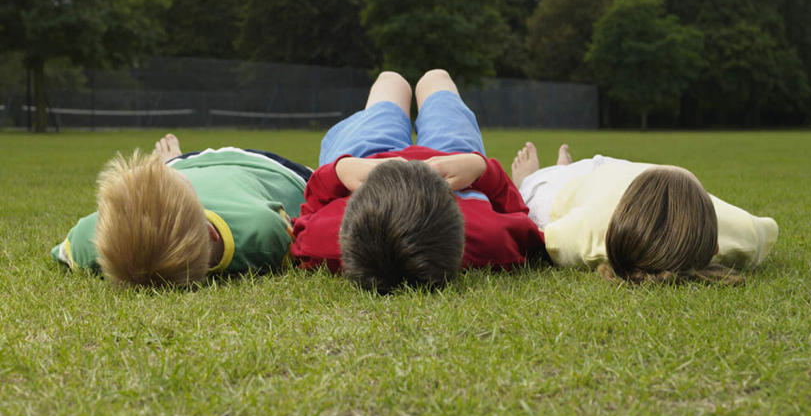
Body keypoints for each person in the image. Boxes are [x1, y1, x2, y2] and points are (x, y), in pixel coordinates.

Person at [290, 69, 545, 293]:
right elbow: (525, 224)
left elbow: (303, 221)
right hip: (454, 160)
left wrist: (341, 170)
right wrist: (479, 167)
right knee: (436, 78)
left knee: (391, 81)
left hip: (364, 159)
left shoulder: (325, 243)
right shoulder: (489, 239)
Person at [51, 134, 310, 287]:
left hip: (186, 164)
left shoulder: (91, 241)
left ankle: (173, 160)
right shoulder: (260, 231)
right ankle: (174, 164)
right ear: (211, 233)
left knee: (172, 170)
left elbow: (66, 247)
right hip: (267, 167)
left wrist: (172, 166)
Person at [511, 142, 779, 284]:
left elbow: (537, 233)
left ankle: (546, 173)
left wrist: (529, 184)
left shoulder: (589, 230)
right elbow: (766, 228)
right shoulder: (741, 232)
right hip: (635, 172)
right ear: (717, 245)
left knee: (533, 193)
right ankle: (563, 168)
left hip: (583, 186)